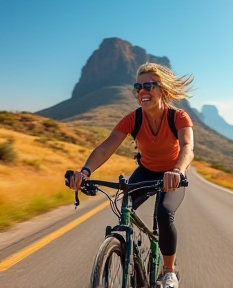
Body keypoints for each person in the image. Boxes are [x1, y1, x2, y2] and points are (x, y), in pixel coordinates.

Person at [66, 62, 194, 288]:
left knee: (164, 214)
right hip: (145, 170)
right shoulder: (132, 119)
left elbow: (187, 148)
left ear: (162, 89)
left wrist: (177, 171)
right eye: (138, 87)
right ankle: (131, 252)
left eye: (149, 86)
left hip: (172, 173)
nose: (143, 91)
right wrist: (84, 172)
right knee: (124, 206)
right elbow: (106, 148)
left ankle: (168, 272)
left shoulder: (179, 117)